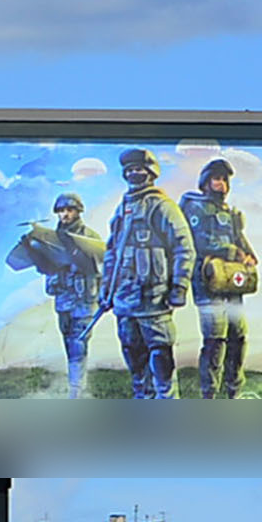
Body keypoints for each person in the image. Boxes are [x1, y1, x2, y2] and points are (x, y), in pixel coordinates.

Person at [97, 148, 194, 399]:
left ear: (151, 172)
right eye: (129, 170)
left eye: (139, 169)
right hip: (124, 299)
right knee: (132, 352)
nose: (133, 174)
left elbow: (184, 246)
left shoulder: (162, 206)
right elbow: (111, 254)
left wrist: (179, 286)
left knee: (160, 352)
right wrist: (105, 291)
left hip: (154, 298)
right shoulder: (122, 208)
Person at [8, 192, 107, 397]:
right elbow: (46, 267)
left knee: (78, 343)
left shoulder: (89, 237)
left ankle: (77, 390)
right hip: (64, 300)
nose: (65, 214)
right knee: (68, 342)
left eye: (69, 210)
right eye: (61, 211)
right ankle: (76, 387)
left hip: (84, 300)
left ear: (78, 211)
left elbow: (101, 265)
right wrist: (32, 248)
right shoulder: (50, 239)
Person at [179, 158, 259, 398]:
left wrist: (250, 256)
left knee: (238, 338)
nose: (221, 183)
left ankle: (234, 392)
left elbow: (239, 238)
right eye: (216, 178)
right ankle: (210, 396)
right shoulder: (195, 207)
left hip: (231, 282)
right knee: (215, 340)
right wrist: (232, 252)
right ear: (205, 181)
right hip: (207, 281)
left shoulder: (231, 212)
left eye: (224, 179)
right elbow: (199, 241)